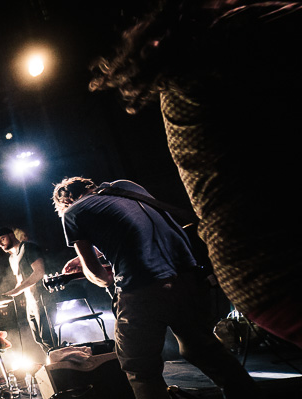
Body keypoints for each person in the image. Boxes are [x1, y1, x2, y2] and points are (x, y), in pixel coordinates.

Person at [87, 1, 302, 347]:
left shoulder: (191, 65)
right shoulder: (230, 35)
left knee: (146, 359)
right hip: (257, 257)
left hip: (249, 264)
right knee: (196, 348)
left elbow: (98, 274)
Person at [52, 176, 264, 399]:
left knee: (140, 369)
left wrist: (89, 268)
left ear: (64, 202)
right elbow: (141, 231)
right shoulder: (127, 187)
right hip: (188, 279)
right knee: (210, 354)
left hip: (143, 288)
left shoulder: (73, 213)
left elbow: (100, 276)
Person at [0, 227, 56, 353]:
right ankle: (53, 359)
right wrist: (6, 295)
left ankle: (61, 360)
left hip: (42, 297)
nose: (0, 244)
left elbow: (39, 272)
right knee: (38, 339)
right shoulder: (12, 258)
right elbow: (20, 282)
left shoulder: (28, 248)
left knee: (47, 337)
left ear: (11, 235)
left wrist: (16, 291)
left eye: (2, 239)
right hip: (30, 301)